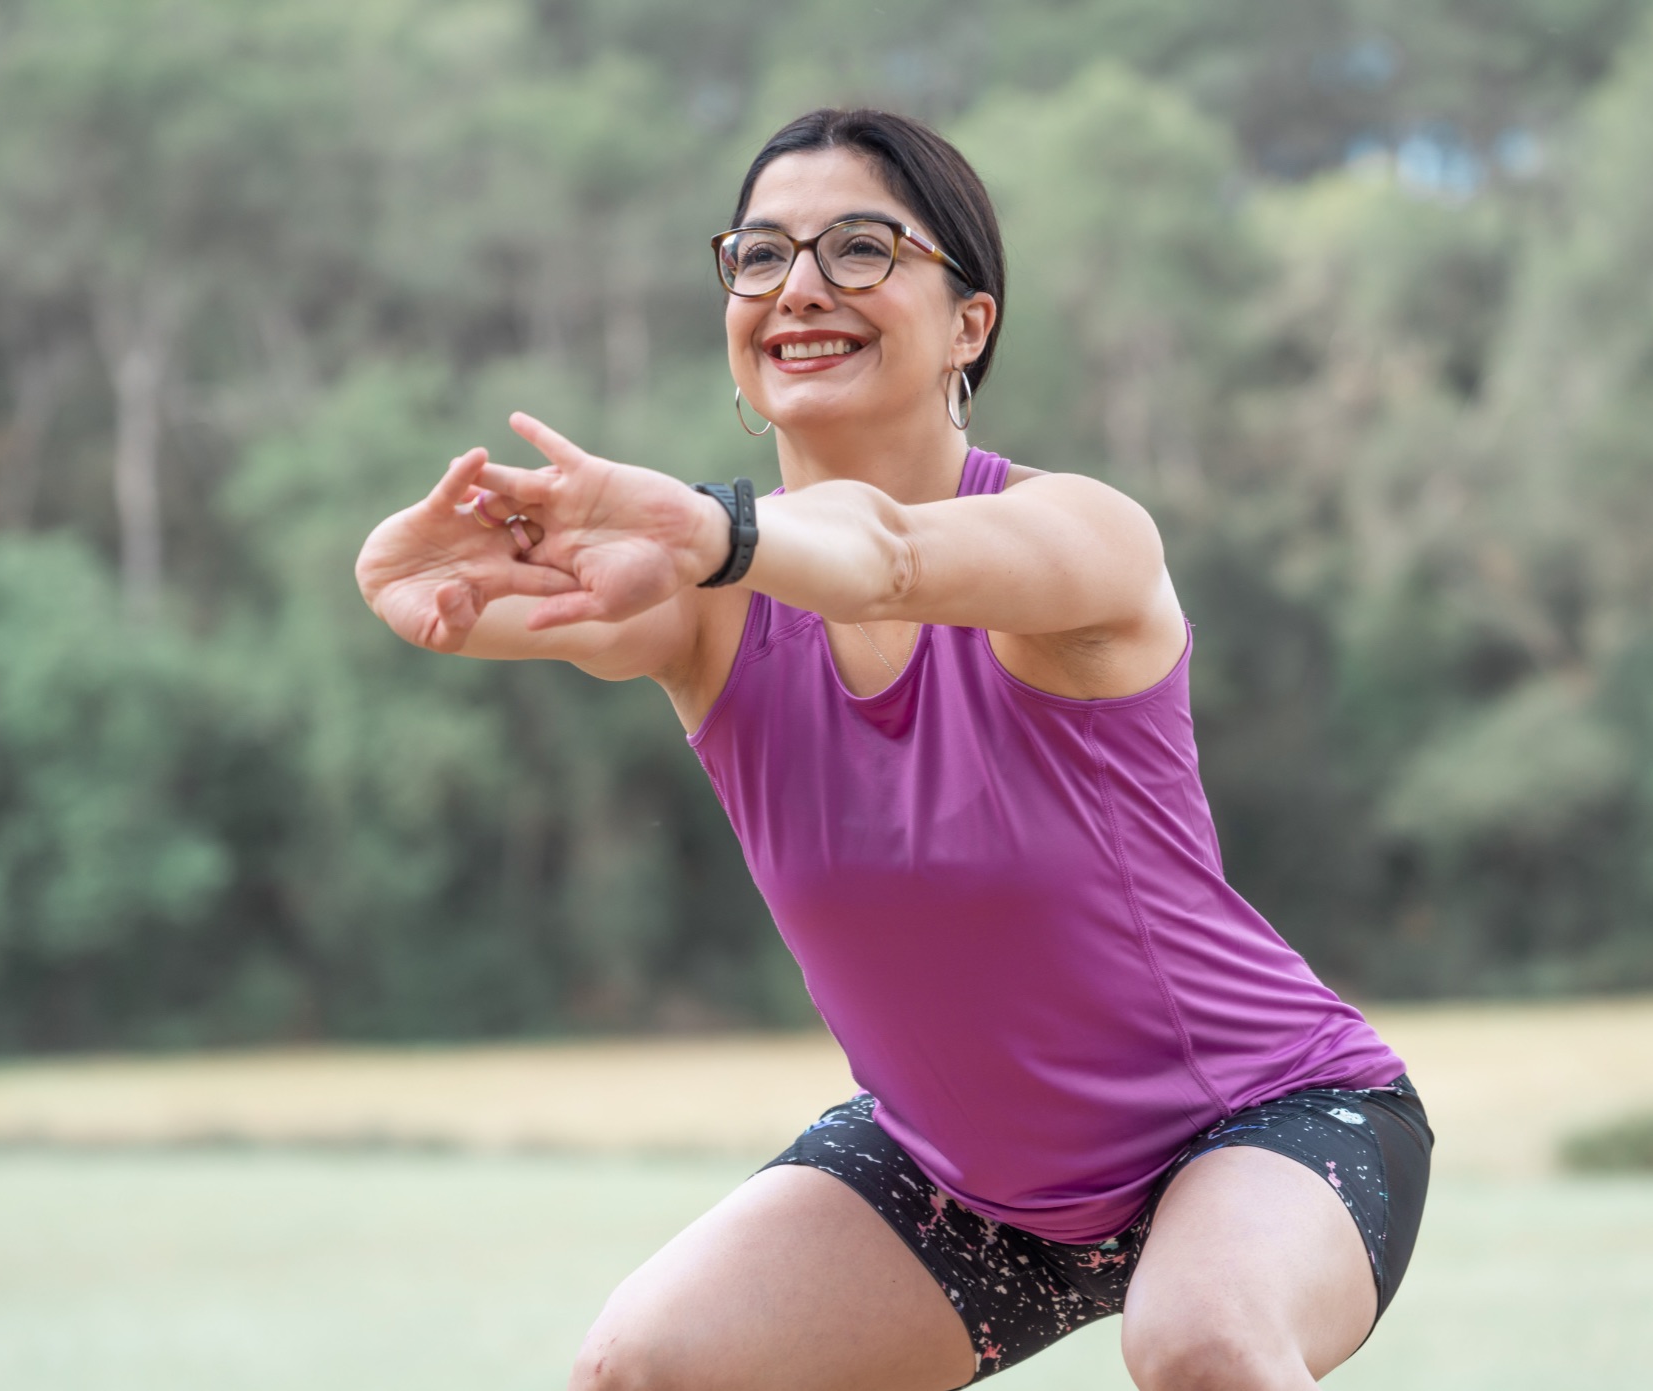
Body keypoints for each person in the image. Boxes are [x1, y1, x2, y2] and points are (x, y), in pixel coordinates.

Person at [355, 108, 1431, 1391]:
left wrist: (717, 529)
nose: (798, 285)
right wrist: (407, 576)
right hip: (961, 1176)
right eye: (758, 256)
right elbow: (507, 607)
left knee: (1202, 1342)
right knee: (643, 1368)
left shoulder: (1079, 540)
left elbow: (889, 559)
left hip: (1263, 1122)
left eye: (859, 247)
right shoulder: (699, 599)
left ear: (968, 321)